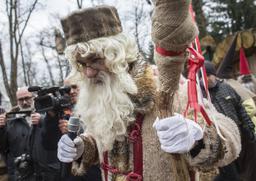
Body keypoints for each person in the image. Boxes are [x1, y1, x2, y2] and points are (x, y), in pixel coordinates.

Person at [57, 2, 241, 181]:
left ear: (119, 56)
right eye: (82, 64)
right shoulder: (101, 95)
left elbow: (230, 140)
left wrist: (197, 138)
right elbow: (101, 139)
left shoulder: (167, 86)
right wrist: (83, 146)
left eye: (96, 59)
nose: (88, 72)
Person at [0, 87, 68, 181]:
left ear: (34, 98)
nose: (24, 102)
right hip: (21, 174)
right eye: (21, 100)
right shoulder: (9, 120)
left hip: (49, 174)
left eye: (27, 98)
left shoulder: (50, 114)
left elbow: (60, 141)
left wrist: (44, 121)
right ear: (17, 101)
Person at [204, 61, 256, 181]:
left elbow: (239, 107)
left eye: (208, 75)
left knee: (250, 166)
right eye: (203, 76)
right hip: (223, 141)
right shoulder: (203, 95)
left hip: (240, 134)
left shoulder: (226, 87)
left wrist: (249, 126)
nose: (206, 79)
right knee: (230, 174)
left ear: (214, 74)